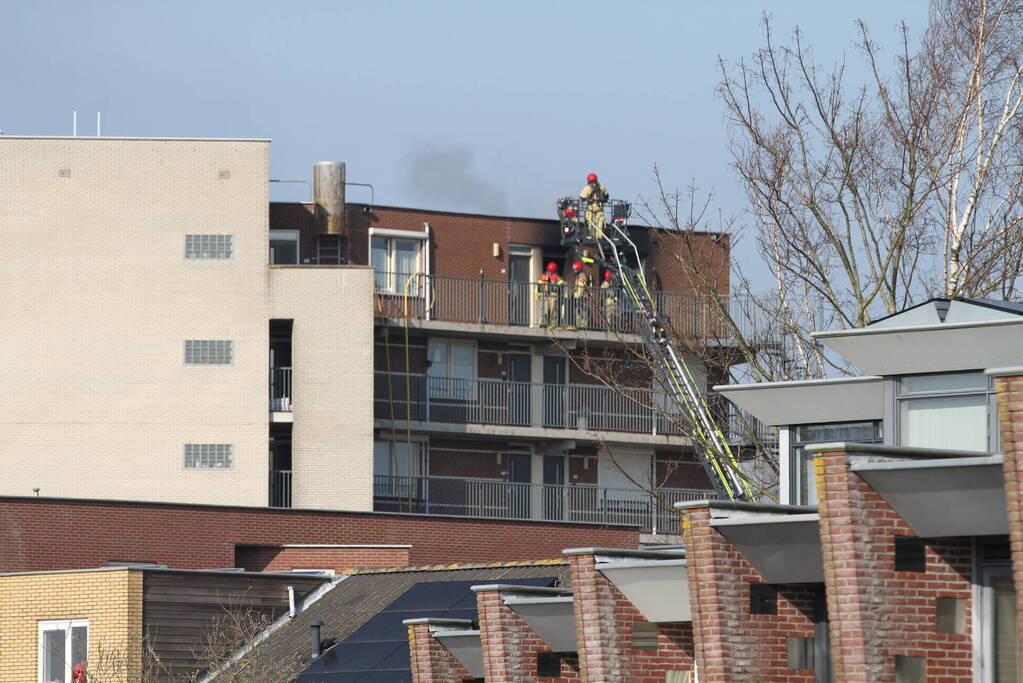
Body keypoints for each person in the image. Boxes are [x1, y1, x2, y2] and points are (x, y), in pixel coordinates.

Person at [578, 172, 609, 239]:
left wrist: (588, 199)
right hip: (598, 210)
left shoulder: (588, 188)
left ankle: (593, 237)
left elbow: (582, 197)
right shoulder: (601, 187)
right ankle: (597, 237)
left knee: (592, 223)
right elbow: (606, 195)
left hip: (592, 210)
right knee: (598, 224)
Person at [535, 262, 564, 327]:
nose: (550, 273)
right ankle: (543, 323)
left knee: (554, 311)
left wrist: (554, 283)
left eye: (552, 272)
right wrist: (537, 294)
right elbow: (539, 287)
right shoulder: (542, 278)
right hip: (545, 298)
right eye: (549, 271)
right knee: (544, 311)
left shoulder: (559, 279)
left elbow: (560, 288)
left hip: (554, 298)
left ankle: (553, 324)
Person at [570, 261, 590, 328]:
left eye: (576, 269)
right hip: (579, 297)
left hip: (582, 297)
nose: (574, 270)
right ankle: (579, 325)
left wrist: (577, 295)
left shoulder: (582, 275)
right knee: (579, 311)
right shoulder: (578, 276)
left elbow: (581, 287)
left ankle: (583, 325)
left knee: (582, 311)